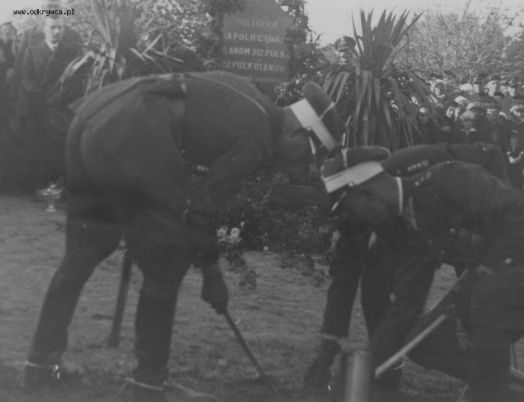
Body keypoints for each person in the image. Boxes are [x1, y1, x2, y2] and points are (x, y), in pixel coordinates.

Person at [23, 74, 345, 401]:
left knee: (83, 251)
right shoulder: (258, 138)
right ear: (298, 132)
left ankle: (40, 366)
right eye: (305, 157)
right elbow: (201, 211)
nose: (296, 169)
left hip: (93, 114)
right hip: (134, 131)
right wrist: (211, 275)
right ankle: (148, 385)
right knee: (167, 259)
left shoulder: (253, 100)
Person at [332, 160, 524, 402]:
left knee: (486, 297)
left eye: (349, 209)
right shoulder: (408, 227)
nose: (354, 220)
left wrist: (483, 271)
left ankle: (486, 395)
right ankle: (516, 391)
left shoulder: (449, 179)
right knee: (424, 340)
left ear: (367, 193)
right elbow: (406, 305)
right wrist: (370, 368)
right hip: (499, 281)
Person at [305, 143, 510, 396]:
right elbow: (344, 275)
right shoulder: (355, 214)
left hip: (465, 222)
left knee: (477, 299)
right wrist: (329, 343)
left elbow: (490, 154)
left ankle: (492, 382)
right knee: (375, 290)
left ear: (365, 190)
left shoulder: (418, 164)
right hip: (411, 234)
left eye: (348, 207)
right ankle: (385, 371)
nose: (349, 217)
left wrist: (493, 225)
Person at [17, 15, 82, 189]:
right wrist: (44, 97)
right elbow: (26, 78)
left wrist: (62, 98)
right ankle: (41, 186)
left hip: (63, 107)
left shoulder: (72, 51)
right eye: (53, 27)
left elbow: (78, 79)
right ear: (44, 29)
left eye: (60, 27)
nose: (57, 31)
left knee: (60, 147)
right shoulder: (33, 50)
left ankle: (60, 186)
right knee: (38, 147)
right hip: (38, 106)